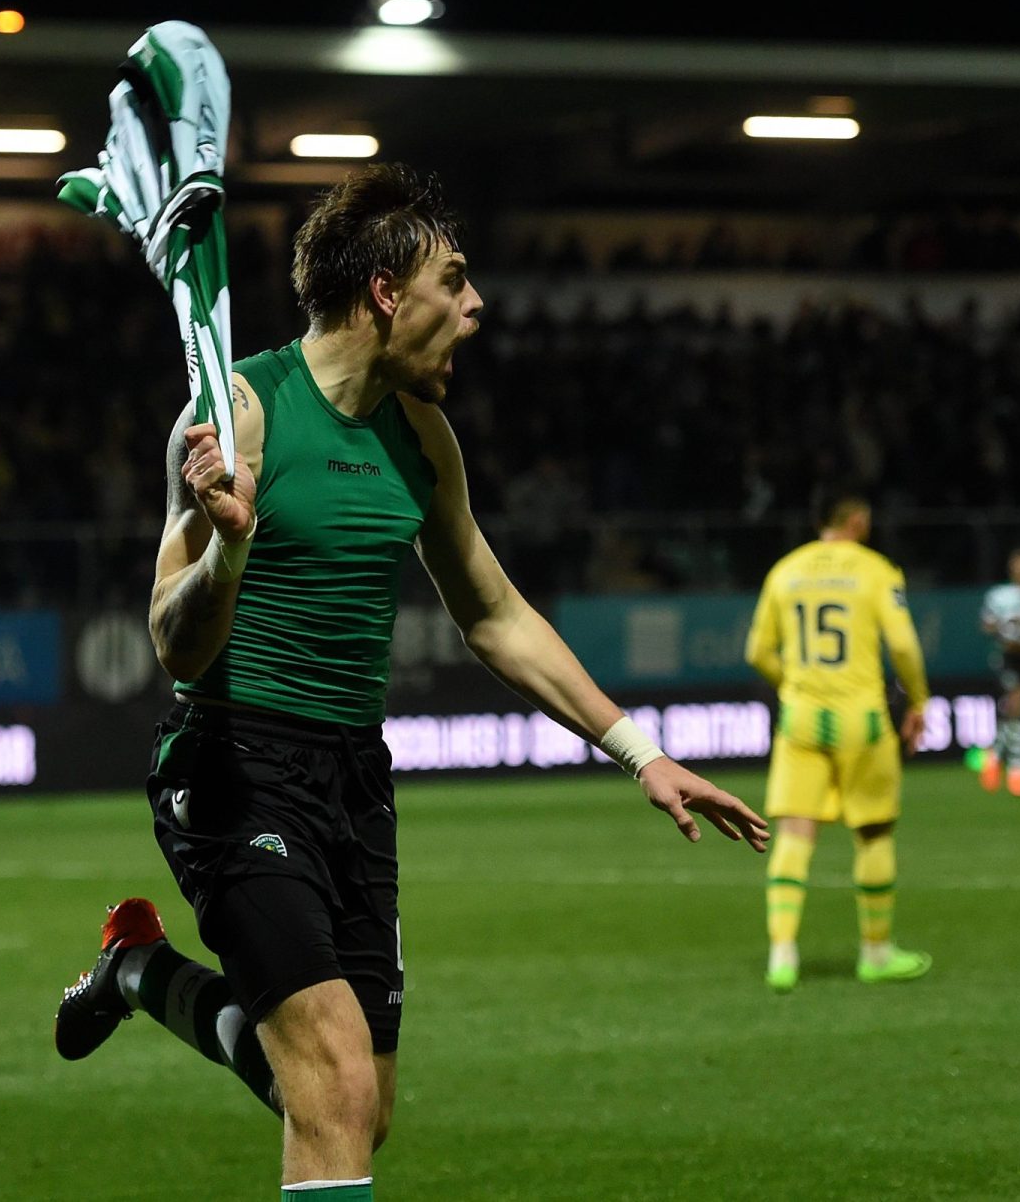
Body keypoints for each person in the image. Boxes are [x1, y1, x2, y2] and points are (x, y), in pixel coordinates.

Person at [51, 164, 768, 1202]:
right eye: (456, 279)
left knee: (359, 1105)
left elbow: (492, 612)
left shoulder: (422, 437)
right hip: (233, 770)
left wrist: (641, 752)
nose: (476, 308)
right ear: (387, 290)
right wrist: (228, 552)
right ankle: (148, 976)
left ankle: (139, 972)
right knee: (335, 1079)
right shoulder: (239, 413)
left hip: (353, 779)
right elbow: (175, 643)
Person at [745, 491, 931, 991]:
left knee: (795, 835)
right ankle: (876, 952)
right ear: (857, 520)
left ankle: (782, 956)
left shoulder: (785, 570)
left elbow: (757, 650)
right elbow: (904, 644)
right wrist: (919, 700)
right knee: (873, 832)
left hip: (801, 719)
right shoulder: (875, 569)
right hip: (861, 720)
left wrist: (794, 684)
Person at [980, 547, 1020, 795]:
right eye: (1019, 564)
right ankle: (1017, 769)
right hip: (1009, 657)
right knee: (1016, 706)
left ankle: (994, 755)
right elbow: (987, 625)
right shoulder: (999, 595)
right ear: (1011, 567)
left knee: (1016, 712)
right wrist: (1003, 628)